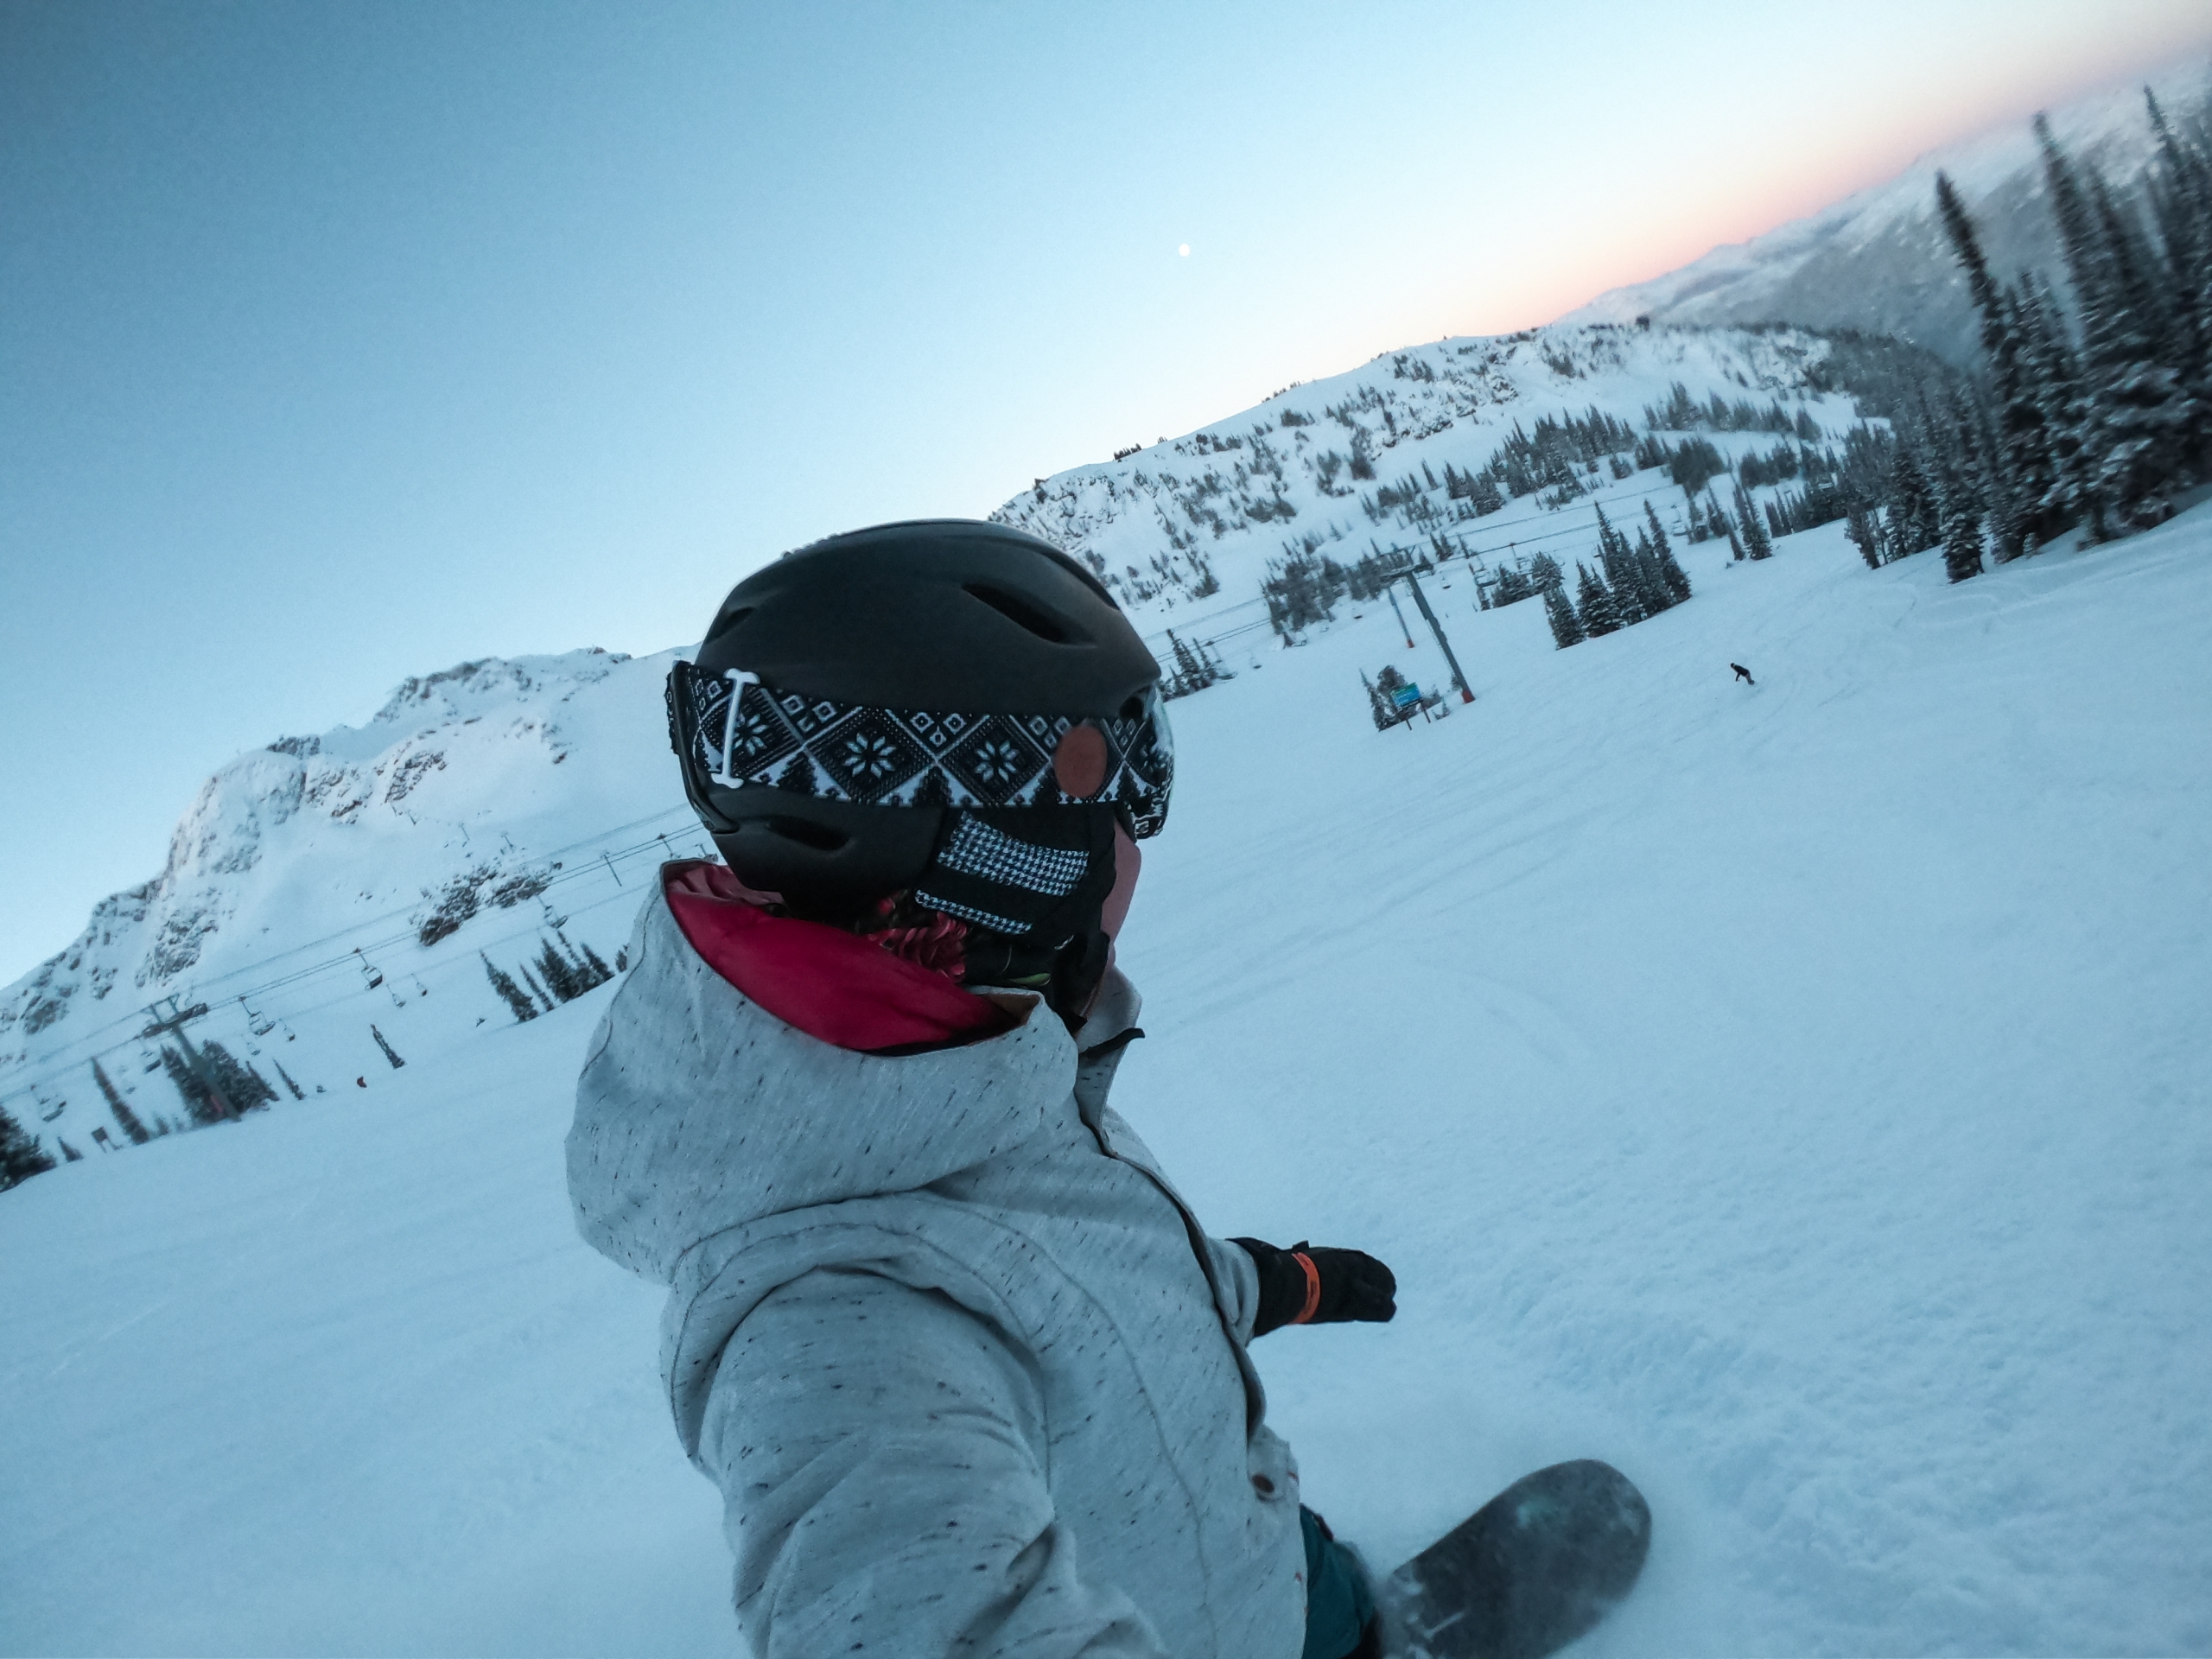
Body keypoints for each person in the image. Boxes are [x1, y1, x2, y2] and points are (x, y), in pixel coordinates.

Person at [568, 519, 1399, 1658]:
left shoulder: (956, 1060)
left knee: (1313, 1581)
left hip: (1251, 1549)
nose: (1141, 834)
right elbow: (898, 1593)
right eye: (1119, 783)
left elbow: (1080, 1281)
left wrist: (1275, 1284)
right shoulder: (833, 1312)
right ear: (1010, 852)